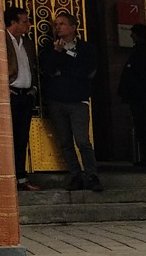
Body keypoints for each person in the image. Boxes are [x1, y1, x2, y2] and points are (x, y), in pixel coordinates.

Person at [41, 11, 101, 192]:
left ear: (73, 27)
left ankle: (92, 175)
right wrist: (58, 53)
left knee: (82, 141)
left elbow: (87, 72)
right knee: (65, 141)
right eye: (56, 24)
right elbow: (48, 69)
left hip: (78, 100)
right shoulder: (49, 48)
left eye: (62, 24)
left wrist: (64, 70)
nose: (58, 27)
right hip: (57, 100)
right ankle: (76, 175)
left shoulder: (86, 49)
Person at [5, 6, 40, 192]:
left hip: (25, 95)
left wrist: (33, 87)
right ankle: (6, 178)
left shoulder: (27, 42)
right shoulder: (0, 39)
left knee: (21, 139)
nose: (28, 24)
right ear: (13, 22)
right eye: (24, 21)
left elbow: (31, 66)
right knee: (7, 139)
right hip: (9, 95)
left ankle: (21, 178)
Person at [118, 23, 146, 168]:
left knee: (144, 127)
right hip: (137, 97)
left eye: (134, 34)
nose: (131, 36)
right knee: (141, 127)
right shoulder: (138, 51)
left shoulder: (143, 52)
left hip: (142, 98)